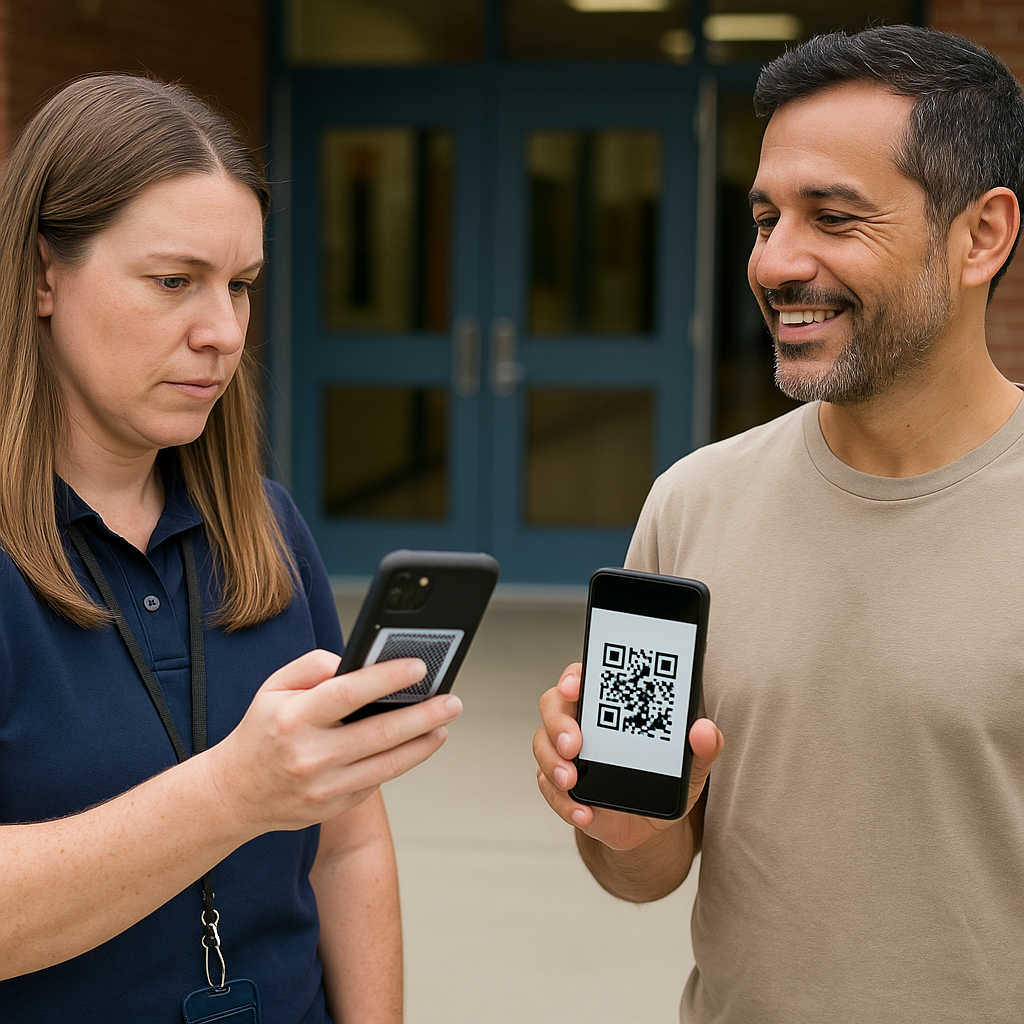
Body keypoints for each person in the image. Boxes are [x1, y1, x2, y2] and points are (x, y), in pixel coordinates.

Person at [534, 24, 1024, 1023]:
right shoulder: (693, 501)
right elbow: (642, 872)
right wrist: (621, 824)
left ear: (981, 235)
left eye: (832, 218)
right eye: (764, 217)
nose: (774, 261)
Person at [0, 74, 463, 1023]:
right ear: (44, 275)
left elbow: (347, 846)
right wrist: (235, 792)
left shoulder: (266, 525)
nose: (223, 333)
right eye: (174, 281)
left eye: (241, 285)